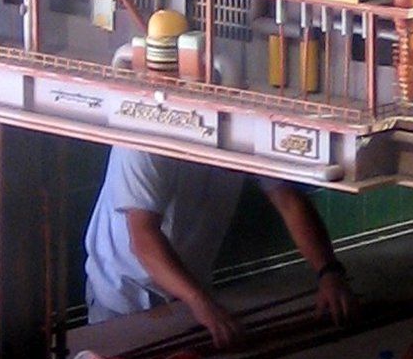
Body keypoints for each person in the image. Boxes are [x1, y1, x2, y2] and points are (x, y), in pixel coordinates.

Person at [82, 148, 354, 348]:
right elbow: (143, 238)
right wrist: (200, 302)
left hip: (187, 288)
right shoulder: (143, 139)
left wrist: (328, 270)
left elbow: (287, 200)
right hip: (122, 289)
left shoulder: (243, 128)